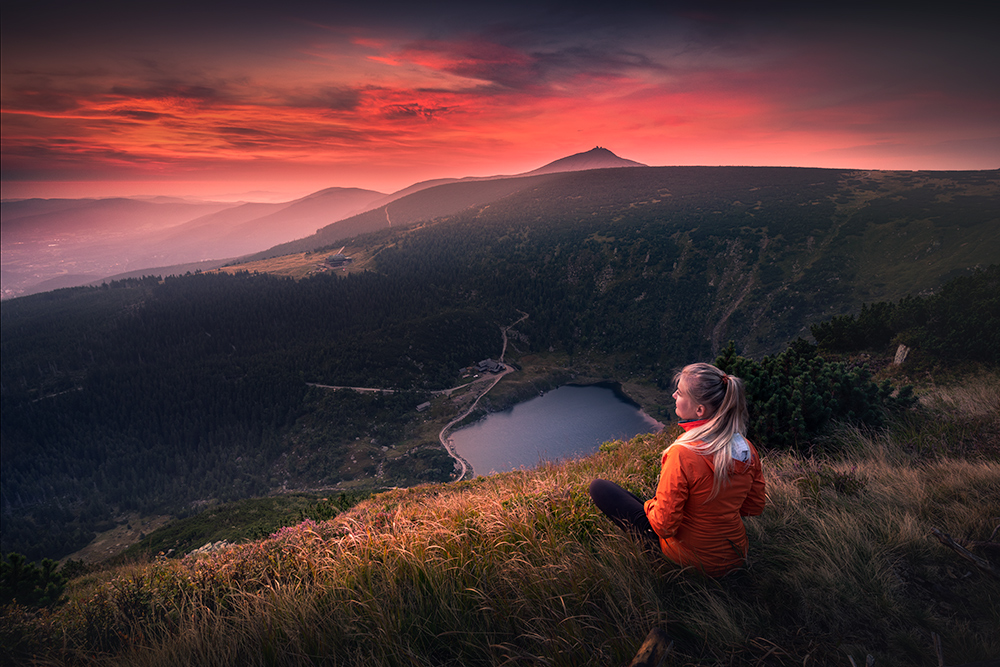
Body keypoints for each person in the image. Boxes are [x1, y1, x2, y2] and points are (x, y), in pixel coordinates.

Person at [589, 362, 766, 576]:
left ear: (699, 410)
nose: (674, 395)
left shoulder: (683, 453)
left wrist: (652, 505)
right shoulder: (747, 449)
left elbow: (664, 527)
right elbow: (753, 507)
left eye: (680, 393)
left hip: (692, 560)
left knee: (600, 488)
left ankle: (657, 559)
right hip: (736, 554)